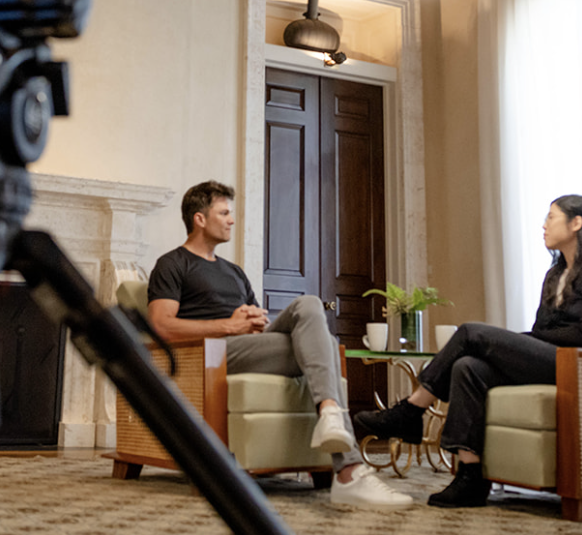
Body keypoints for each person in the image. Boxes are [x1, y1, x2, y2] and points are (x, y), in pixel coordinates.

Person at [352, 194, 582, 508]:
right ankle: (470, 476)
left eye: (551, 217)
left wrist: (524, 340)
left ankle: (410, 410)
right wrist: (526, 341)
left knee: (471, 332)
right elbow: (541, 330)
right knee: (468, 367)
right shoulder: (555, 275)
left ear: (576, 223)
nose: (544, 225)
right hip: (553, 359)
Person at [148, 180, 413, 509]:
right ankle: (348, 470)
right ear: (200, 218)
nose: (232, 219)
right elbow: (161, 325)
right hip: (213, 354)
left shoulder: (234, 272)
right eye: (224, 213)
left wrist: (254, 322)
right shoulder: (173, 264)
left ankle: (331, 416)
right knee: (326, 347)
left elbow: (259, 325)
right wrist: (229, 325)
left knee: (309, 305)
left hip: (250, 346)